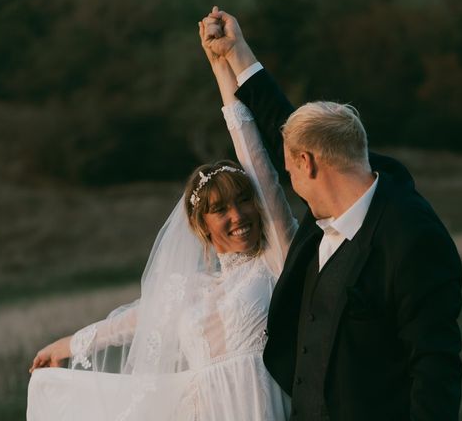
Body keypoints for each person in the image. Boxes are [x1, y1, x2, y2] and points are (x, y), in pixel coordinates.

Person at [26, 21, 298, 421]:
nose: (239, 216)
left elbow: (256, 160)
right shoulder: (193, 291)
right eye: (221, 210)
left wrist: (222, 67)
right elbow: (124, 326)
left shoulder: (276, 259)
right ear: (202, 225)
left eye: (244, 202)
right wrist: (64, 346)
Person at [201, 8, 462, 420]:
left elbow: (435, 366)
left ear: (306, 163)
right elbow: (281, 125)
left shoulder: (412, 237)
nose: (289, 177)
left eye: (290, 168)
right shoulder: (338, 185)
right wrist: (237, 53)